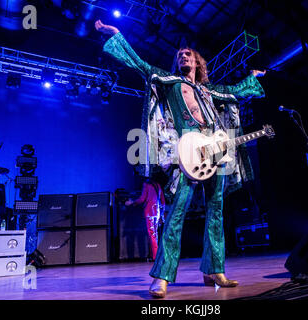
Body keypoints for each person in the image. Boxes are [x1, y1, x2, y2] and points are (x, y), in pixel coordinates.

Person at [95, 20, 266, 298]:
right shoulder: (169, 81)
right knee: (176, 212)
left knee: (216, 211)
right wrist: (117, 35)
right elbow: (140, 65)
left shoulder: (210, 91)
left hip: (215, 150)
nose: (182, 56)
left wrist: (253, 78)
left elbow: (236, 91)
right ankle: (162, 275)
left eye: (188, 54)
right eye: (179, 55)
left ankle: (214, 270)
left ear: (198, 62)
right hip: (185, 150)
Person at [125, 178, 165, 261]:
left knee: (152, 234)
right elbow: (163, 201)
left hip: (149, 212)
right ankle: (153, 255)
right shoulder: (158, 184)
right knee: (155, 234)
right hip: (156, 211)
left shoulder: (146, 184)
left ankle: (155, 256)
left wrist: (132, 202)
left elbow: (142, 199)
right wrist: (161, 214)